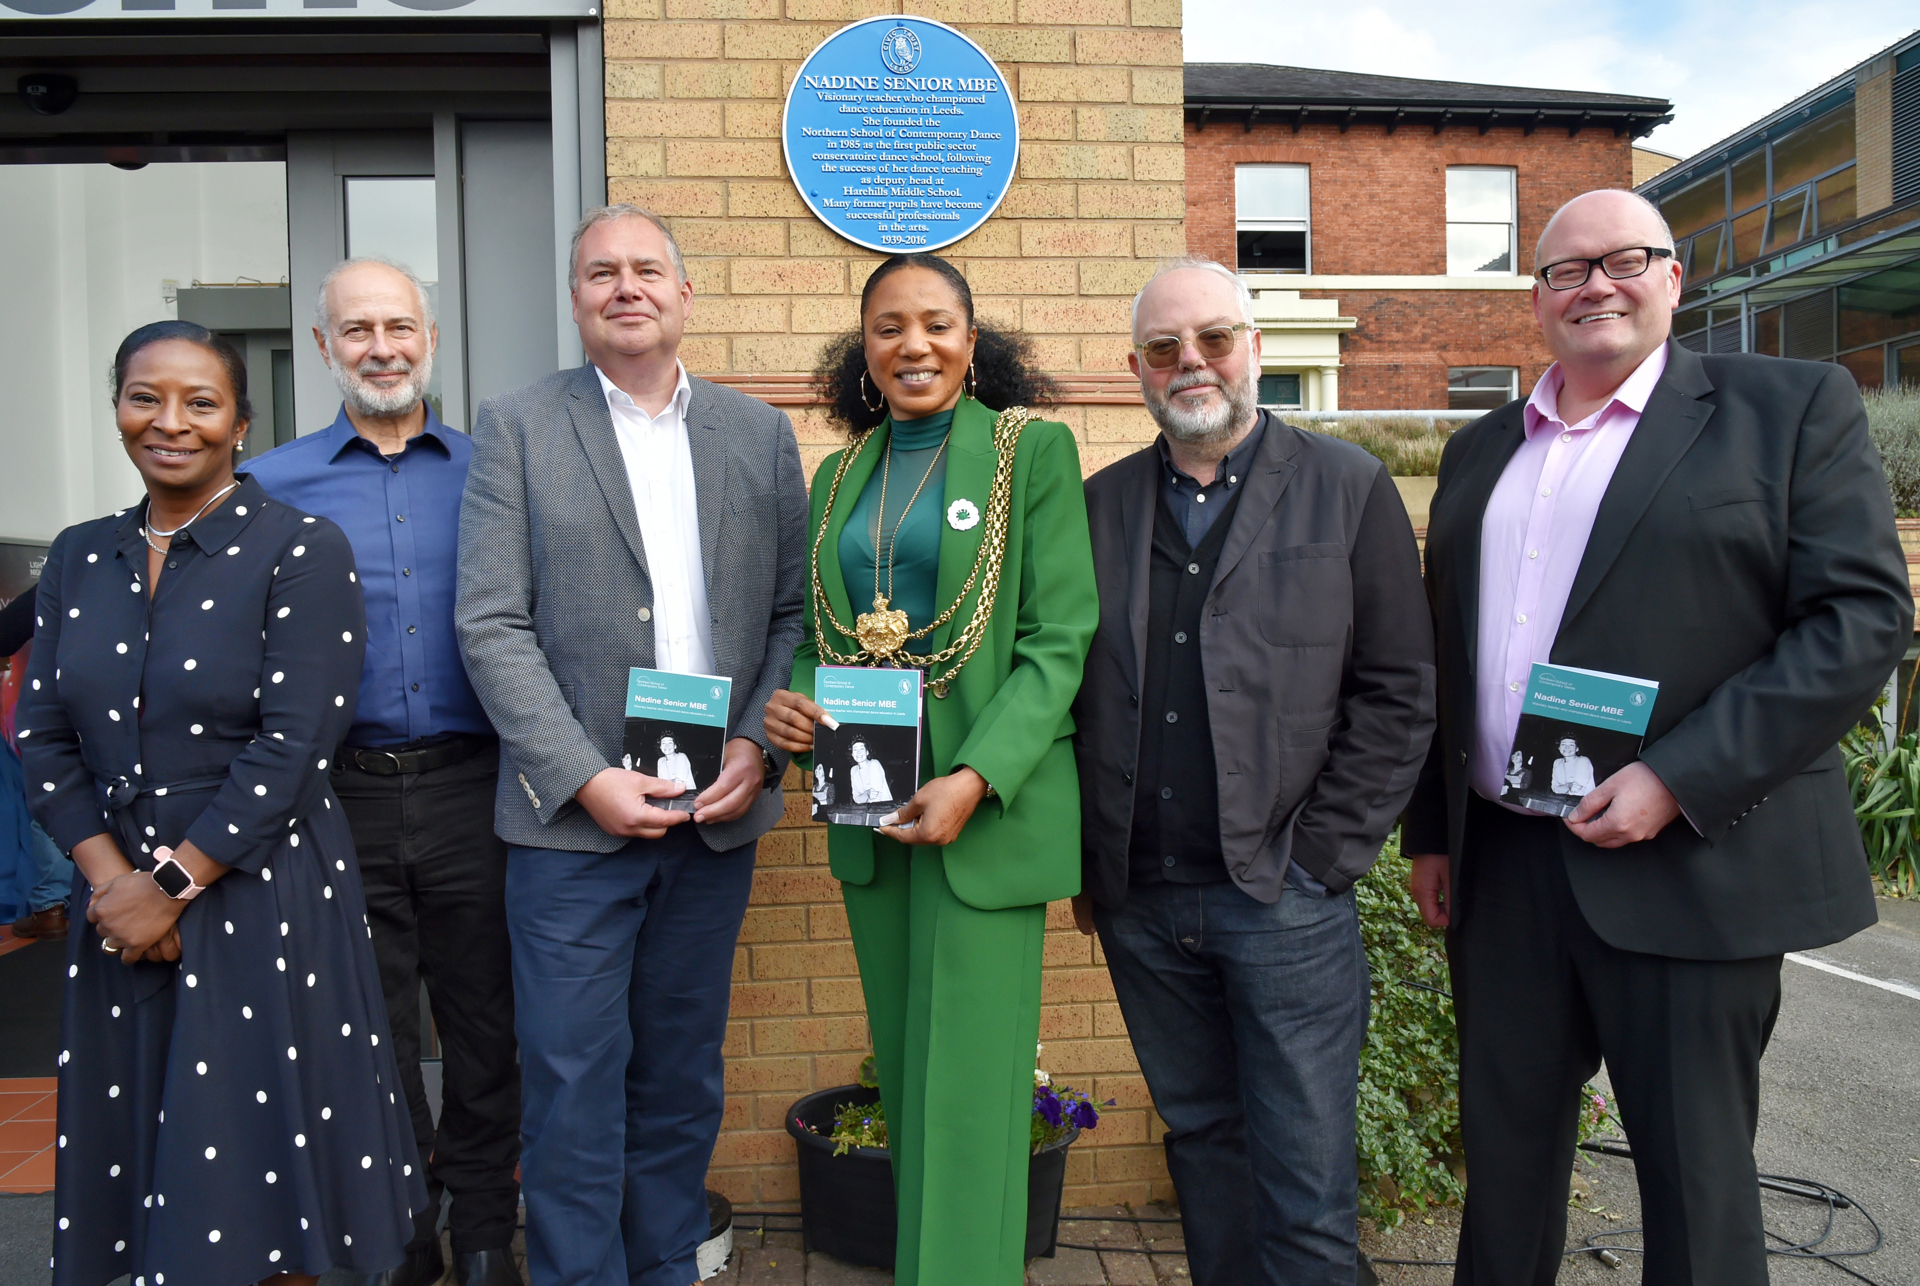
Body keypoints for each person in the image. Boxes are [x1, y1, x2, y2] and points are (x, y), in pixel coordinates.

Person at [1403, 189, 1912, 1285]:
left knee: (1696, 1178)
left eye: (1625, 258)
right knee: (1505, 1163)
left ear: (1675, 277)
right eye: (1565, 270)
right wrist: (1428, 832)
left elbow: (1863, 616)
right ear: (1536, 299)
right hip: (1506, 861)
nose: (1595, 284)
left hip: (1682, 857)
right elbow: (1448, 650)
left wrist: (1679, 778)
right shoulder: (1483, 448)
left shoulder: (1788, 408)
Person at [18, 320, 425, 1286]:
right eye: (143, 397)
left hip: (257, 894)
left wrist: (173, 882)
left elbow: (296, 746)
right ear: (116, 408)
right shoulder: (79, 556)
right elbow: (41, 734)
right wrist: (118, 884)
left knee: (267, 1173)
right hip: (114, 903)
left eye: (200, 403)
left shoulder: (300, 548)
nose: (170, 422)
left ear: (240, 423)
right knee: (148, 1155)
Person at [455, 204, 808, 1286]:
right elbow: (490, 622)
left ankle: (663, 1265)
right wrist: (583, 776)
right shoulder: (516, 425)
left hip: (714, 819)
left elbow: (793, 614)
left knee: (680, 1079)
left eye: (647, 269)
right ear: (577, 300)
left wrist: (757, 742)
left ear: (684, 294)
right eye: (600, 272)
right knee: (570, 1081)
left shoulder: (757, 434)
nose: (626, 287)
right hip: (573, 832)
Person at [1069, 256, 1434, 1286]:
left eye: (1213, 339)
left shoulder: (1345, 485)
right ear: (1136, 368)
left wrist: (1325, 855)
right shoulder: (1098, 507)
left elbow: (1399, 686)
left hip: (1283, 897)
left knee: (1306, 1181)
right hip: (1143, 902)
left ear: (1254, 349)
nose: (1191, 362)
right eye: (1163, 347)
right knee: (1204, 1148)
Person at [763, 252, 1098, 1286]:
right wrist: (797, 695)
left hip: (980, 810)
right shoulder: (840, 474)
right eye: (889, 328)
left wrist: (974, 777)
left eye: (938, 325)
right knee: (911, 1073)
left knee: (970, 1086)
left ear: (973, 339)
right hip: (872, 802)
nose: (914, 345)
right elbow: (826, 631)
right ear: (861, 350)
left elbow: (1059, 639)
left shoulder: (1027, 451)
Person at [246, 257, 522, 1286]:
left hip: (478, 783)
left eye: (399, 326)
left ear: (431, 339)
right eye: (356, 329)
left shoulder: (495, 466)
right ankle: (402, 1228)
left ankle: (487, 1224)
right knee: (369, 1027)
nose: (381, 346)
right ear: (324, 348)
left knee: (488, 1017)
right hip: (335, 794)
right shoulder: (269, 487)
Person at [2, 588, 75, 940]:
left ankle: (51, 906)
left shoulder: (70, 567)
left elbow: (4, 633)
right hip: (137, 703)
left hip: (60, 702)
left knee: (52, 797)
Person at [846, 738, 891, 805]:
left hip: (883, 808)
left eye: (862, 749)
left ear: (867, 752)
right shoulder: (853, 770)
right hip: (866, 810)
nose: (859, 752)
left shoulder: (874, 764)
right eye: (855, 749)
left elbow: (874, 796)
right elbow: (856, 798)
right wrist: (867, 793)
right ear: (852, 754)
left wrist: (863, 796)